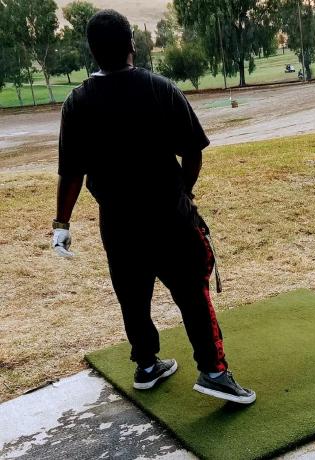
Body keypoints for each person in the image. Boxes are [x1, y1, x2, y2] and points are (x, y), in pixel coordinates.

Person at [52, 9, 255, 405]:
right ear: (131, 44)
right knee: (192, 293)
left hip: (117, 223)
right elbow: (193, 151)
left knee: (132, 296)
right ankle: (213, 372)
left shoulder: (77, 102)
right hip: (168, 217)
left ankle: (146, 365)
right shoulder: (159, 88)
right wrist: (184, 192)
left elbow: (71, 173)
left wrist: (62, 223)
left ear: (92, 51)